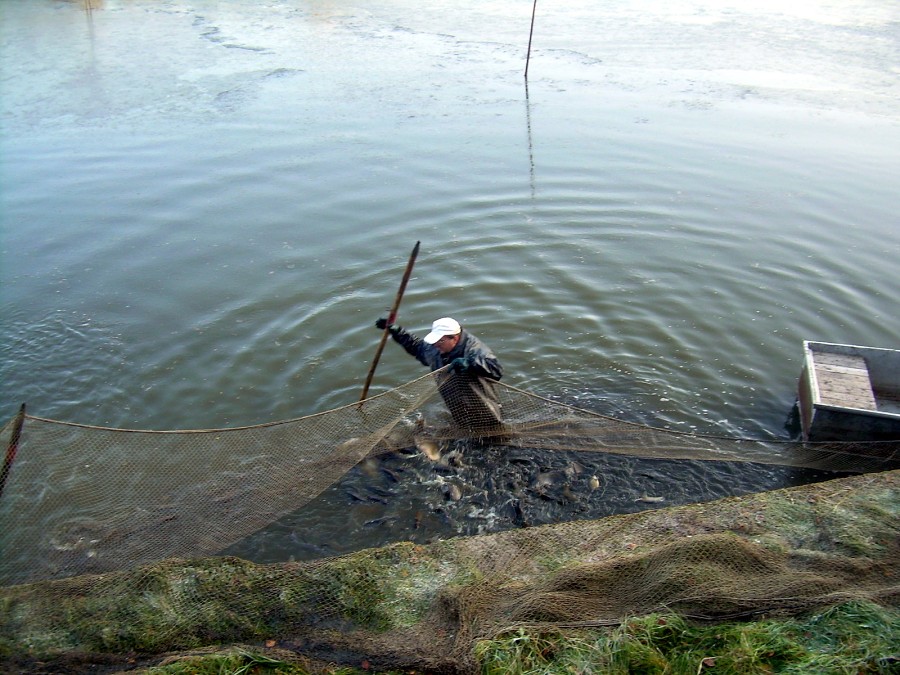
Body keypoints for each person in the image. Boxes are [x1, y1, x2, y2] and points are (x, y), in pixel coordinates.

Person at [375, 316, 504, 436]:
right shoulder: (436, 347)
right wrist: (397, 332)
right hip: (456, 406)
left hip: (484, 407)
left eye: (440, 341)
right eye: (435, 341)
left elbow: (496, 370)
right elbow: (417, 348)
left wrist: (471, 364)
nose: (436, 345)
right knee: (465, 431)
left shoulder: (474, 349)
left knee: (490, 435)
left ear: (454, 338)